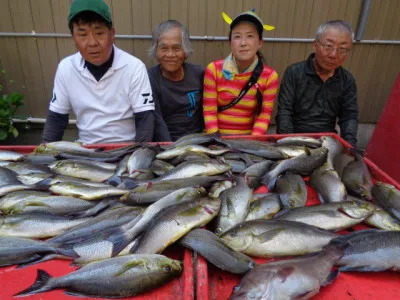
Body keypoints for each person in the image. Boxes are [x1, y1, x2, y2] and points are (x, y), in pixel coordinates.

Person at [41, 0, 155, 144]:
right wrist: (43, 152)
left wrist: (137, 155)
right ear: (73, 38)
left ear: (112, 33)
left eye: (99, 33)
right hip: (87, 148)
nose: (92, 42)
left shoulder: (134, 67)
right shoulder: (66, 68)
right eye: (83, 35)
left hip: (126, 147)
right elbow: (57, 118)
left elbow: (145, 118)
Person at [276, 20, 358, 146]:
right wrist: (290, 143)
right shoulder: (294, 73)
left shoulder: (347, 80)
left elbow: (349, 116)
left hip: (327, 140)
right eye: (328, 46)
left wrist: (349, 144)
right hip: (295, 138)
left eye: (342, 49)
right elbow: (284, 113)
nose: (333, 55)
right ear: (315, 45)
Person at [202, 10, 278, 136]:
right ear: (230, 43)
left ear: (260, 43)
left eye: (250, 36)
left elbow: (264, 115)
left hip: (247, 139)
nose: (243, 43)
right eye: (237, 36)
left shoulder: (270, 76)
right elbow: (209, 111)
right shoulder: (214, 69)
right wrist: (216, 141)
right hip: (216, 137)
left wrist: (251, 143)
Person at [148, 20, 205, 142]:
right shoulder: (150, 78)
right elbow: (157, 120)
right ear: (156, 51)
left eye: (176, 48)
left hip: (198, 141)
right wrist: (171, 150)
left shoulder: (199, 74)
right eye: (164, 48)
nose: (170, 54)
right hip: (165, 142)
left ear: (186, 51)